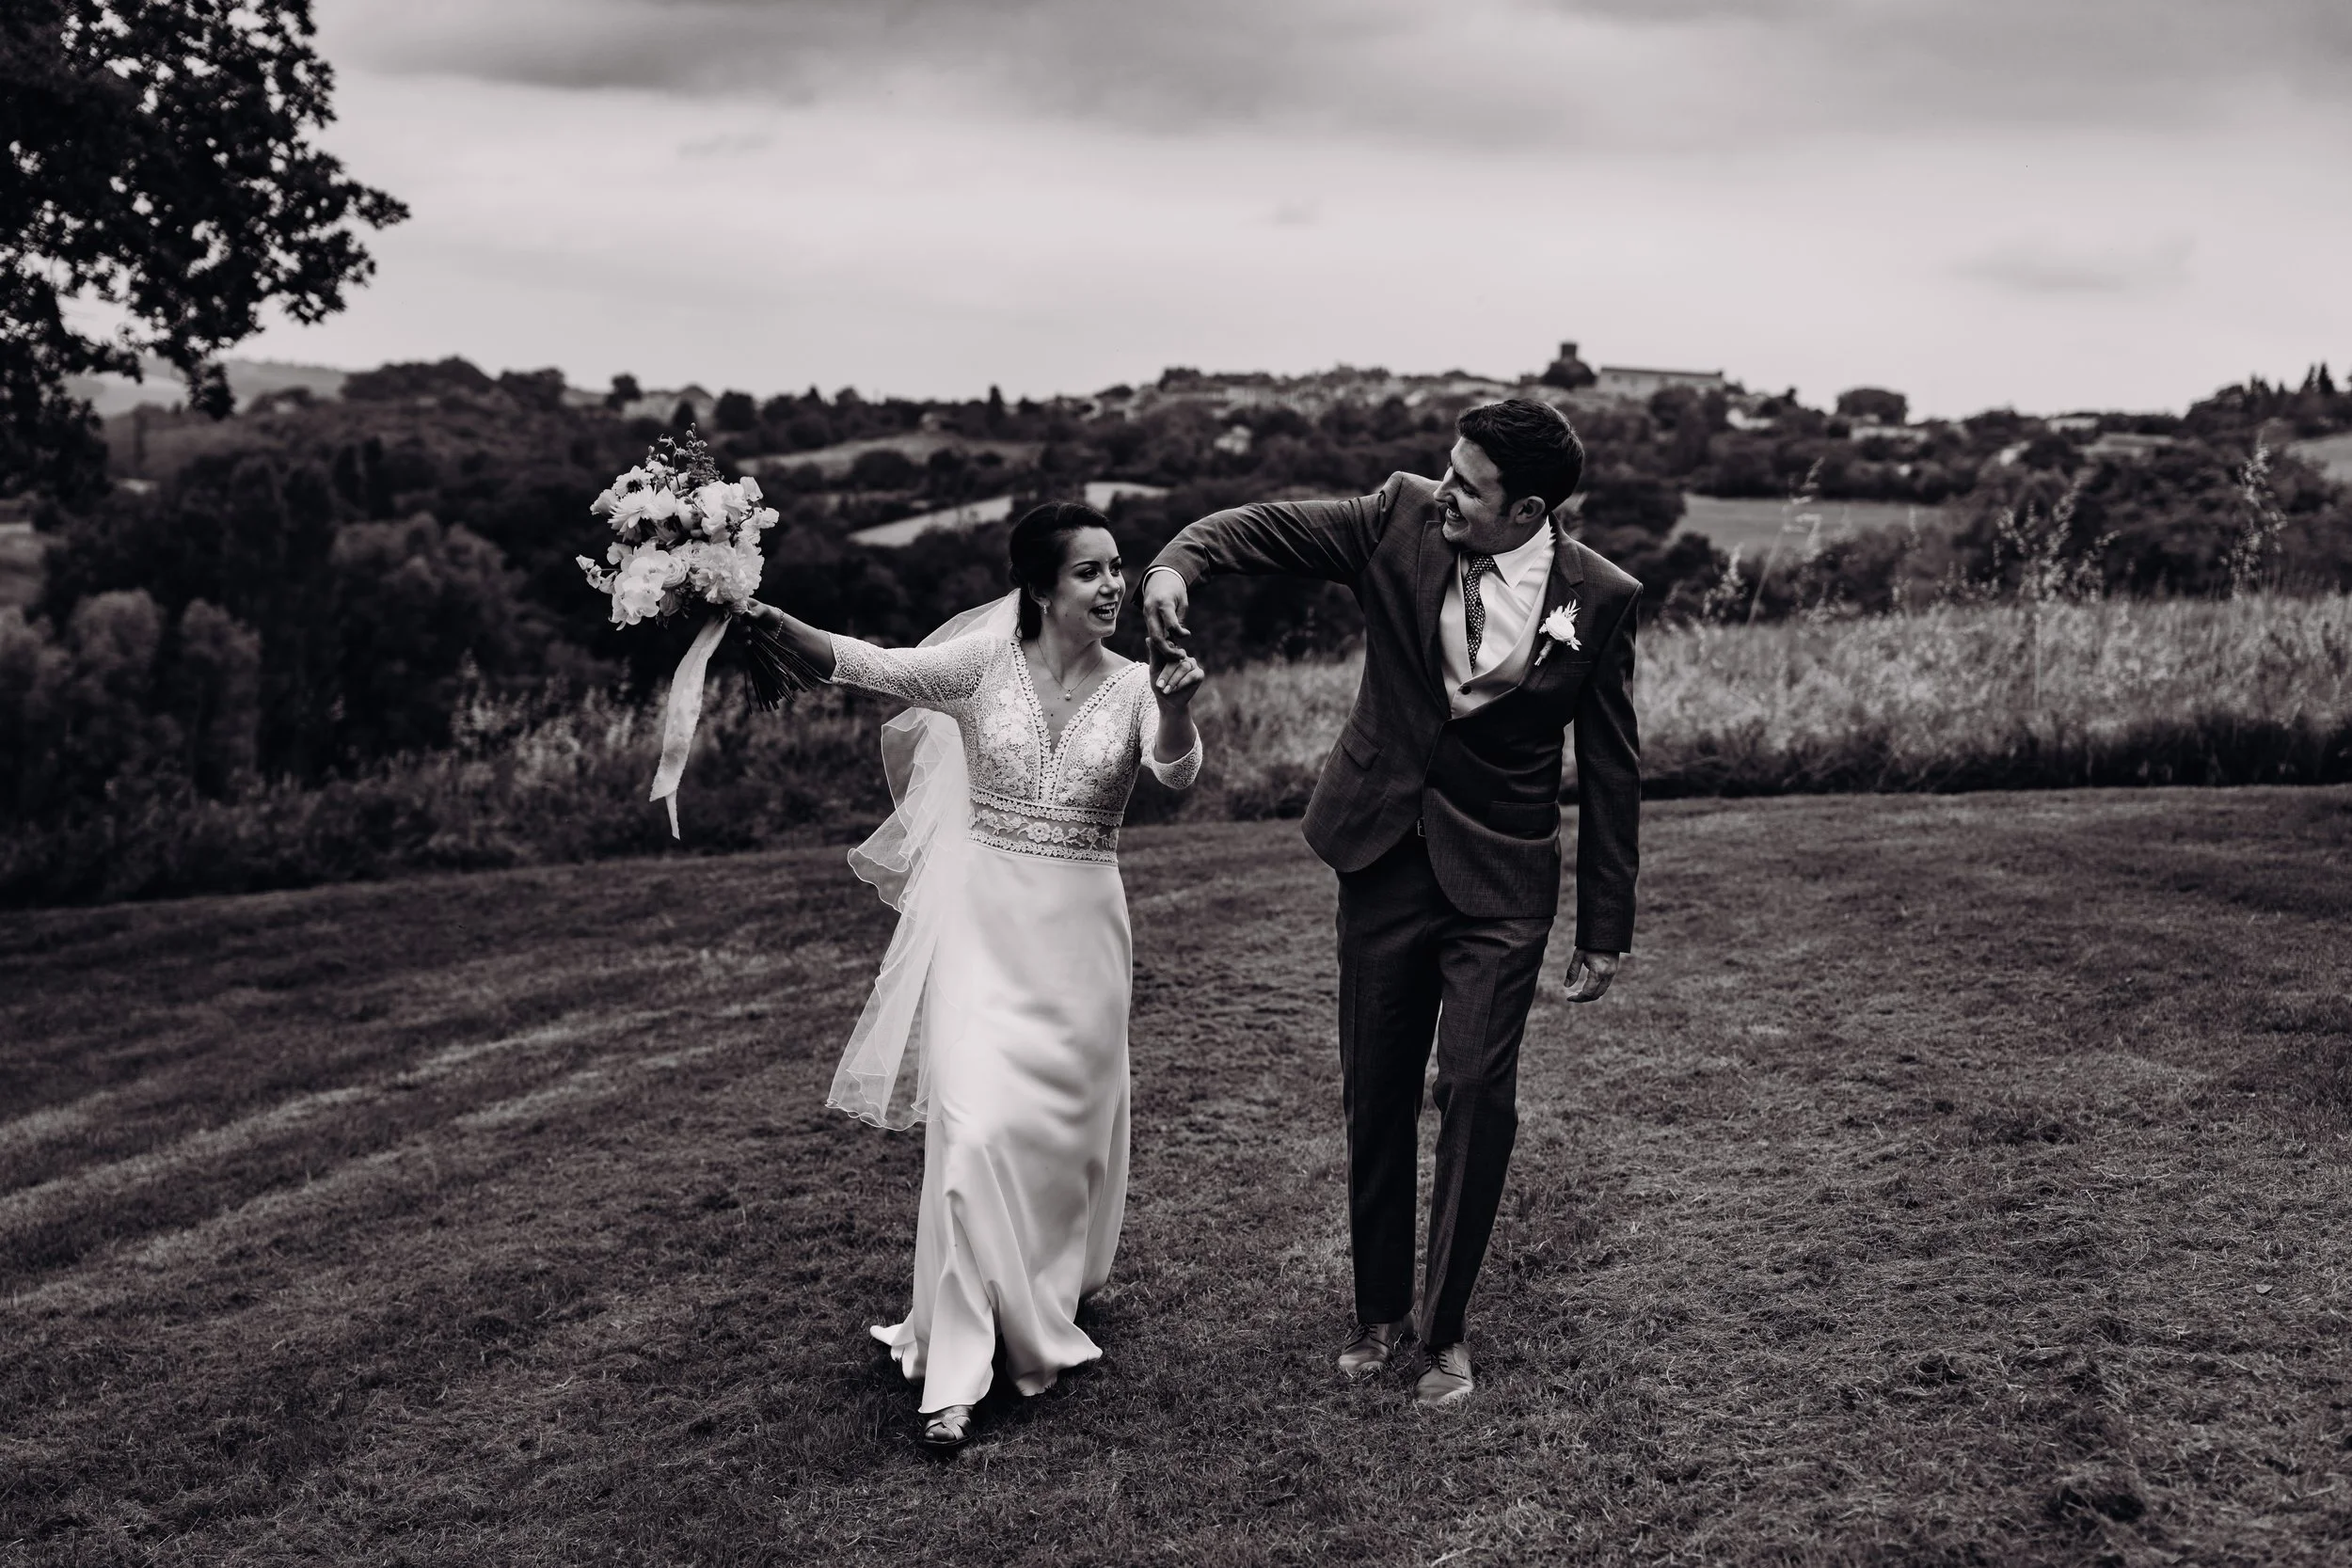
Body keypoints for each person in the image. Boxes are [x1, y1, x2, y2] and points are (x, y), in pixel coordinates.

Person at [1139, 398, 1640, 1409]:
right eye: (1448, 469)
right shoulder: (1396, 515)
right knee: (1375, 1084)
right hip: (1379, 853)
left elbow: (1612, 763)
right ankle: (1377, 1314)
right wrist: (1172, 566)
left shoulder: (1601, 597)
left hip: (1502, 875)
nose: (1446, 490)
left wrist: (1605, 923)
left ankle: (1444, 1332)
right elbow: (1255, 527)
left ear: (1529, 508)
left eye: (1470, 483)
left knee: (1473, 1088)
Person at [744, 502, 1206, 1449]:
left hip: (1082, 939)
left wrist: (1182, 706)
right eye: (1090, 571)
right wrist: (757, 612)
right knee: (975, 1131)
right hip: (983, 929)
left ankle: (1040, 1288)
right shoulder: (979, 666)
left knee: (1058, 1141)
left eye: (1117, 567)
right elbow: (866, 662)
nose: (1114, 585)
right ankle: (955, 1371)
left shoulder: (1136, 684)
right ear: (1039, 587)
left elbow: (1175, 776)